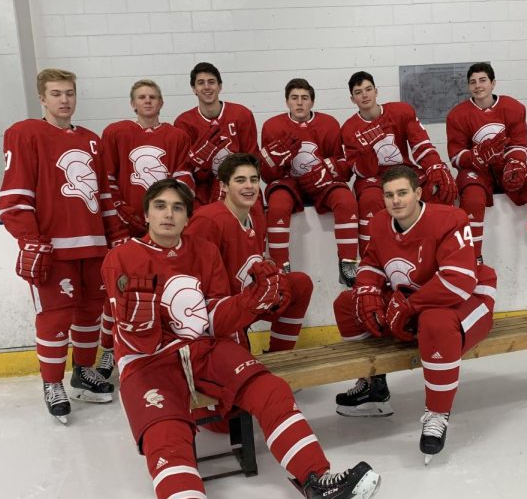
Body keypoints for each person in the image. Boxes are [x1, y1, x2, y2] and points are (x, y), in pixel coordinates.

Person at [101, 178, 380, 499]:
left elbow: (215, 317)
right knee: (166, 435)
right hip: (148, 362)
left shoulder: (203, 251)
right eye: (160, 206)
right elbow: (137, 335)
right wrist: (141, 320)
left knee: (271, 390)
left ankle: (321, 488)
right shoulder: (121, 257)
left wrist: (251, 301)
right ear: (146, 214)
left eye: (177, 208)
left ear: (186, 215)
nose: (168, 214)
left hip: (205, 348)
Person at [332, 166, 497, 463]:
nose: (396, 201)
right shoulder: (382, 222)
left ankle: (437, 413)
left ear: (418, 193)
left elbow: (459, 281)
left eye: (402, 193)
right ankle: (373, 387)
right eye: (389, 195)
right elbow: (372, 263)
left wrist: (408, 306)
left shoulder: (450, 219)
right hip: (416, 296)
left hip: (470, 297)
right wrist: (367, 290)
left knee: (434, 322)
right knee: (348, 303)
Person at [0, 68, 126, 423]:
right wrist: (30, 240)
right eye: (56, 94)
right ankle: (51, 383)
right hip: (54, 249)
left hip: (94, 247)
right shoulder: (25, 134)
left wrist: (116, 236)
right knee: (55, 317)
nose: (64, 100)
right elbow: (14, 197)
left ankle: (82, 371)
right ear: (42, 98)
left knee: (89, 314)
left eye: (69, 93)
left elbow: (103, 195)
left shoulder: (91, 140)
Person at [97, 79, 194, 378]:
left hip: (161, 224)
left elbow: (183, 180)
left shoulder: (176, 135)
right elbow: (107, 178)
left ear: (161, 102)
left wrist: (172, 212)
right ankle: (108, 349)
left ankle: (159, 345)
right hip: (127, 226)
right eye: (142, 97)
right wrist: (120, 214)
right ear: (133, 103)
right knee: (117, 291)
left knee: (159, 286)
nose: (148, 101)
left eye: (153, 97)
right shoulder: (116, 133)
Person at [445, 62, 527, 291]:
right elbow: (456, 157)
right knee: (472, 200)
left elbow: (519, 143)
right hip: (476, 170)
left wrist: (515, 162)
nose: (478, 86)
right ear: (468, 86)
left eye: (482, 80)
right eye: (473, 82)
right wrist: (475, 156)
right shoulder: (458, 115)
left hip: (506, 165)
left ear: (493, 82)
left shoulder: (513, 108)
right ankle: (474, 259)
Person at [185, 153, 313, 355]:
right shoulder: (208, 220)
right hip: (217, 312)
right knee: (241, 373)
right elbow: (190, 280)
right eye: (240, 180)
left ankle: (281, 357)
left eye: (254, 180)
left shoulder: (255, 214)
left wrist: (272, 280)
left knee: (299, 284)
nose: (249, 186)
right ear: (224, 186)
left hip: (247, 301)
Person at [341, 70, 457, 257]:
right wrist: (366, 152)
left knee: (440, 185)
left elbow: (420, 144)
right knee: (370, 199)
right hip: (373, 176)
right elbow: (361, 171)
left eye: (368, 89)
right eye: (358, 92)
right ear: (352, 99)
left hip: (403, 170)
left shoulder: (400, 111)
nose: (364, 95)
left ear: (376, 91)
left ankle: (442, 252)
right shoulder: (349, 128)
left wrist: (435, 165)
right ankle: (371, 261)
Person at [260, 78, 359, 286]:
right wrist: (274, 162)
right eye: (294, 98)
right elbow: (267, 176)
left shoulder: (329, 123)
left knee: (346, 200)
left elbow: (343, 164)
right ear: (287, 101)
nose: (299, 103)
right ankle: (281, 268)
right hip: (289, 183)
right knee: (277, 205)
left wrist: (327, 170)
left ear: (312, 102)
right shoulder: (272, 126)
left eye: (304, 98)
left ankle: (347, 264)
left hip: (321, 183)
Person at [173, 62, 259, 209]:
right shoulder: (184, 122)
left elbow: (253, 160)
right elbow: (186, 171)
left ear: (220, 86)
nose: (206, 87)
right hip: (202, 189)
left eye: (211, 82)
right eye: (201, 83)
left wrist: (233, 184)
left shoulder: (241, 114)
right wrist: (201, 165)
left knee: (255, 220)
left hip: (240, 184)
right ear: (194, 89)